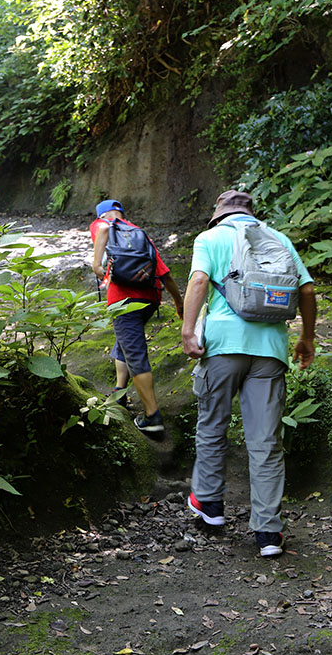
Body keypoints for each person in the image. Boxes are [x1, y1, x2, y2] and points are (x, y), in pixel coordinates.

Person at [181, 190, 316, 558]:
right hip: (269, 351)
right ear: (251, 214)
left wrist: (188, 330)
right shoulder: (278, 238)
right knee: (266, 441)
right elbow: (305, 288)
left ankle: (209, 507)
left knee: (212, 426)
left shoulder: (210, 238)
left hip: (222, 346)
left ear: (219, 214)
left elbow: (197, 282)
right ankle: (268, 533)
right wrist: (305, 337)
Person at [91, 199, 183, 434]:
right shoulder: (138, 233)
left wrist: (95, 264)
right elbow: (165, 273)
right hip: (150, 298)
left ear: (103, 214)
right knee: (124, 341)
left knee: (135, 352)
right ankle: (120, 392)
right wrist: (178, 301)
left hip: (123, 301)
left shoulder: (103, 224)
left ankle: (153, 416)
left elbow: (102, 229)